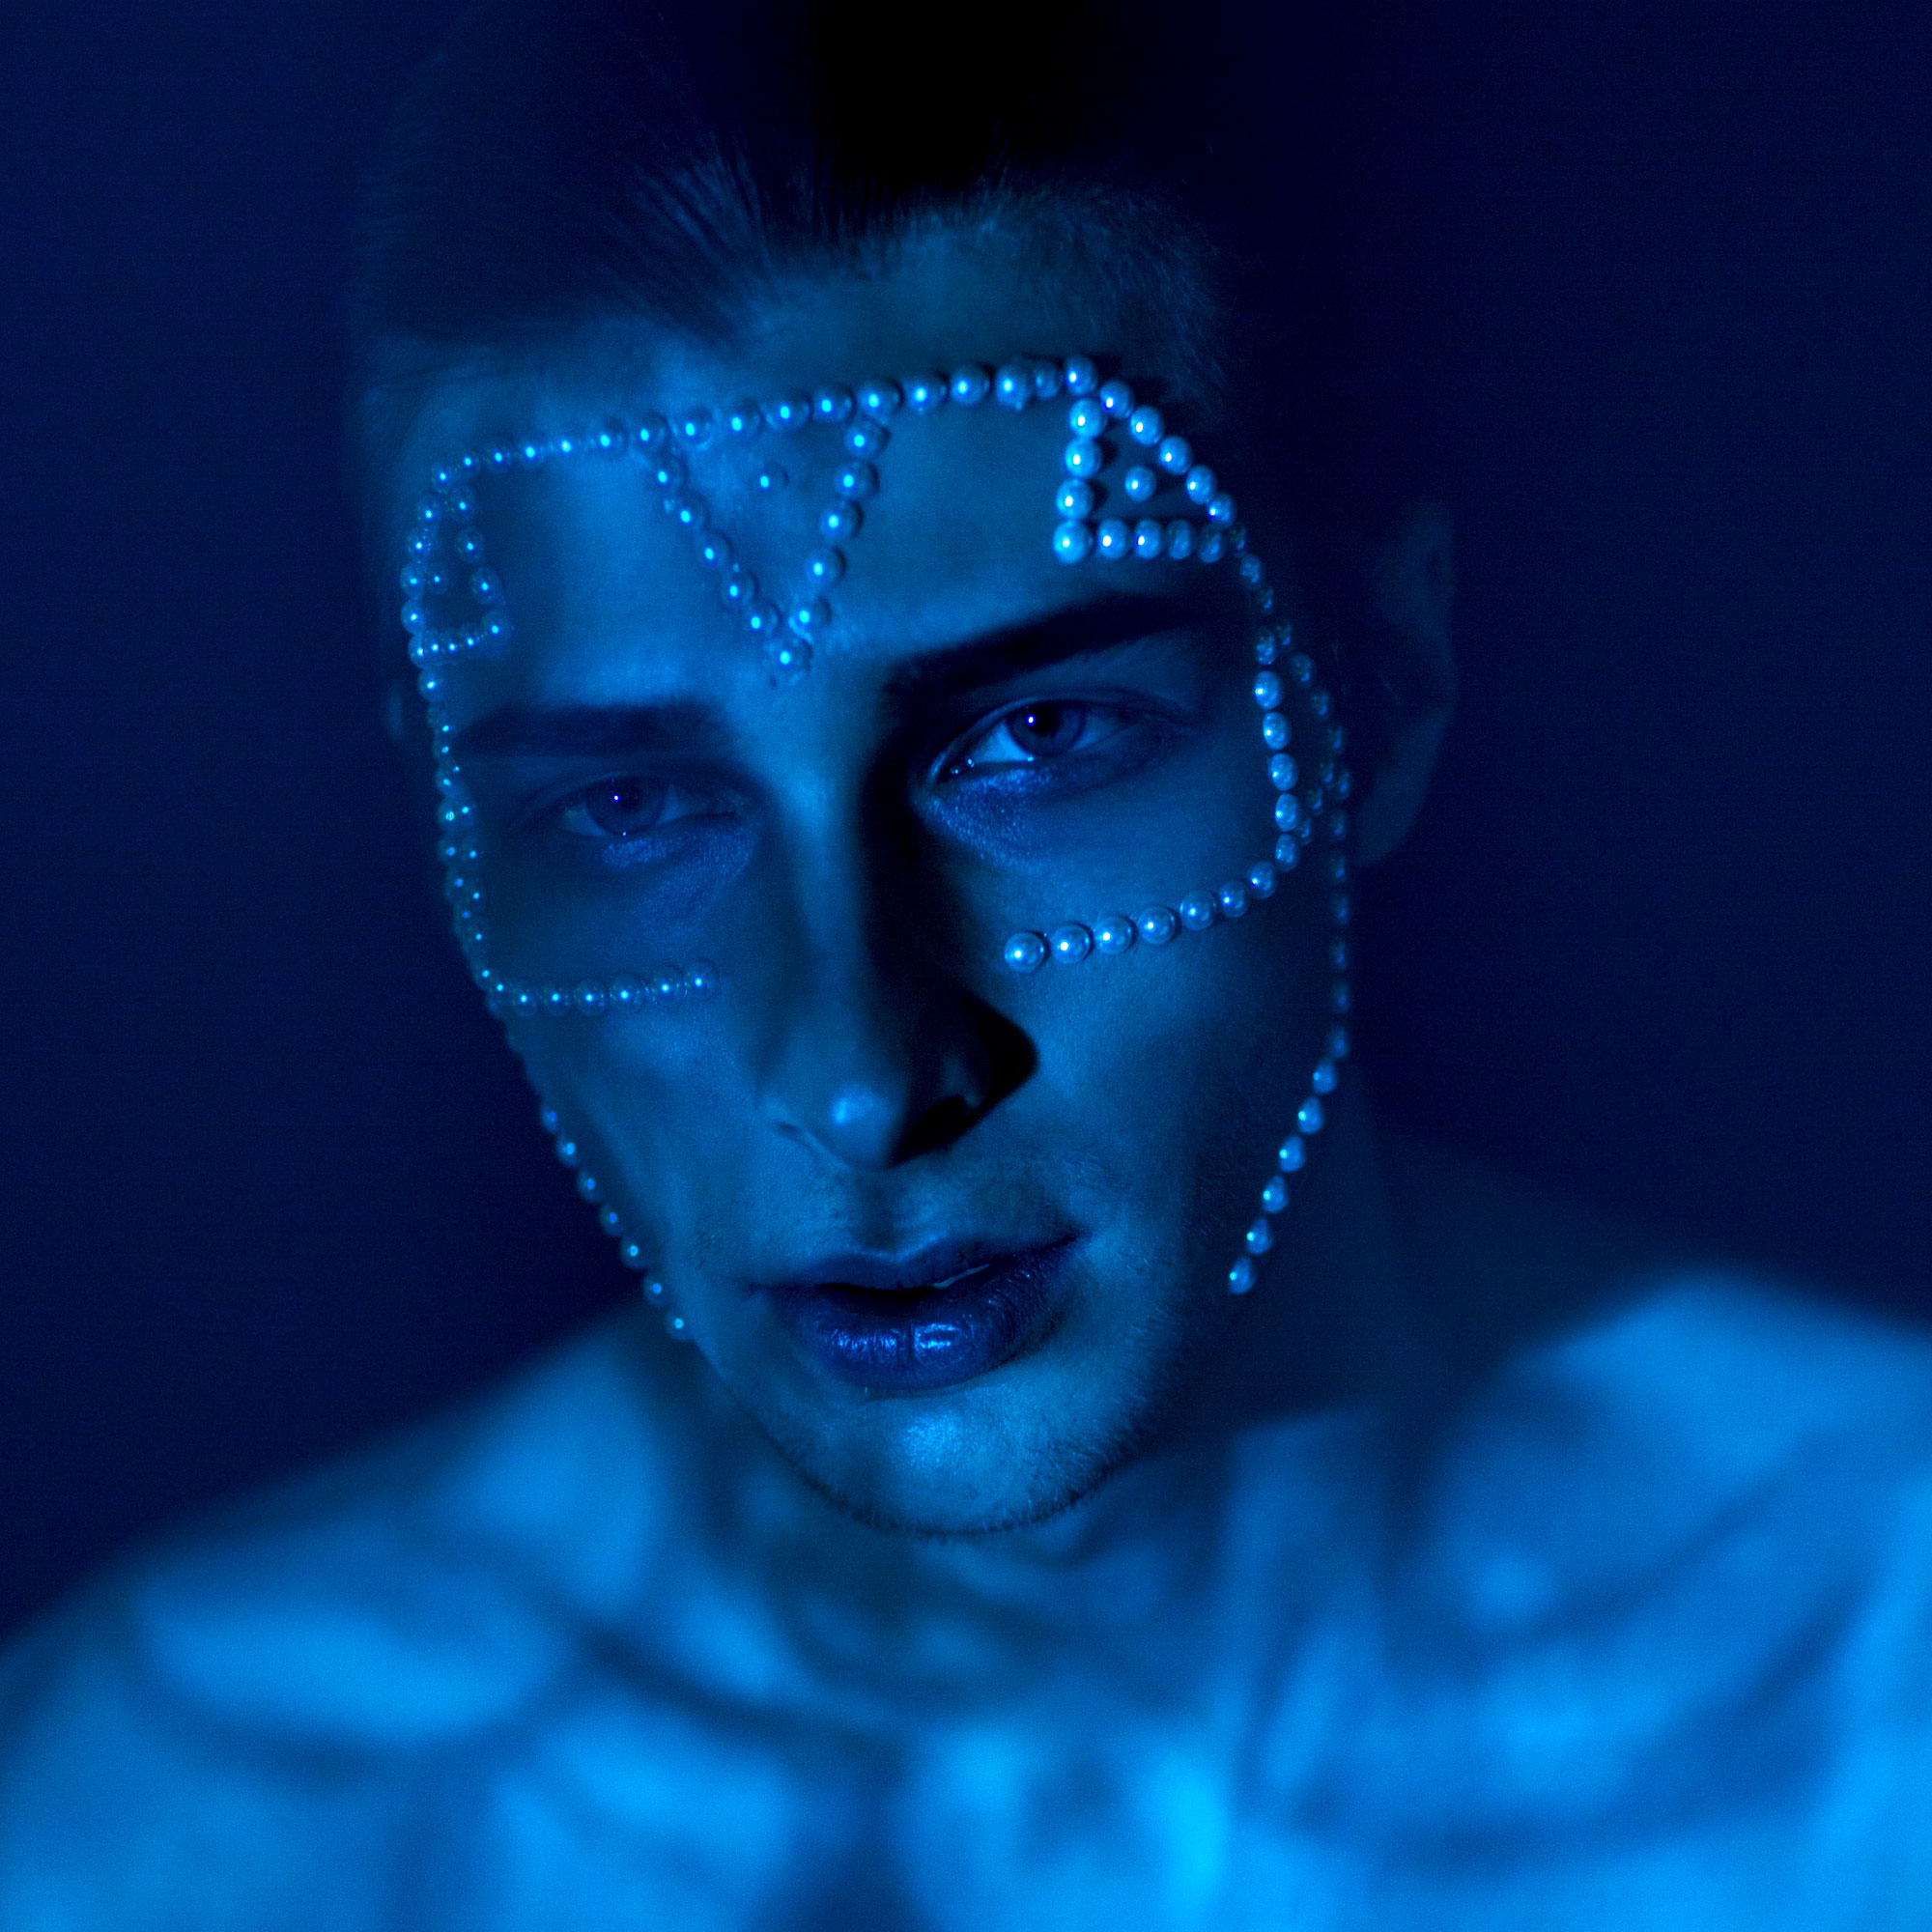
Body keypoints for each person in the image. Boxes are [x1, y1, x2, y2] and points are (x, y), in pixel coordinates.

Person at [4, 1, 1930, 1922]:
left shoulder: (1876, 1692)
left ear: (1385, 690)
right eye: (628, 808)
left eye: (1037, 739)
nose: (864, 1075)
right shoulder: (179, 1832)